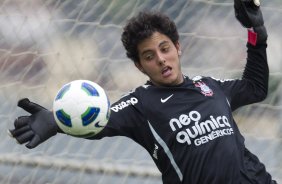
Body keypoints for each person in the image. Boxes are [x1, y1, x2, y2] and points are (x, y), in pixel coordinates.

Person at [8, 0, 277, 183]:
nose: (160, 59)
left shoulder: (210, 86)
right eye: (149, 56)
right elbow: (98, 122)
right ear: (139, 65)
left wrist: (257, 33)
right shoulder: (140, 104)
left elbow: (255, 88)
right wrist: (55, 121)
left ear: (178, 47)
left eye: (164, 48)